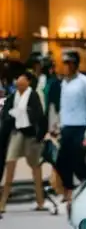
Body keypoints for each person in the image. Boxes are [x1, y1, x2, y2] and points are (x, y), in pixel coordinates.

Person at [55, 51, 86, 216]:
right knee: (61, 163)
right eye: (64, 63)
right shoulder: (64, 83)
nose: (65, 66)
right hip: (67, 128)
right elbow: (63, 107)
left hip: (81, 127)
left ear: (75, 64)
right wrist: (59, 125)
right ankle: (68, 193)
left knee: (79, 164)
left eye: (69, 63)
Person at [0, 73, 48, 214]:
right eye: (18, 84)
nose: (19, 85)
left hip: (30, 135)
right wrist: (16, 113)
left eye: (22, 83)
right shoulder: (13, 96)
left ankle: (40, 201)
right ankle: (2, 202)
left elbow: (39, 116)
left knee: (35, 167)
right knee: (10, 163)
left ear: (28, 82)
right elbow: (5, 114)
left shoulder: (33, 96)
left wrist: (39, 135)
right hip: (16, 133)